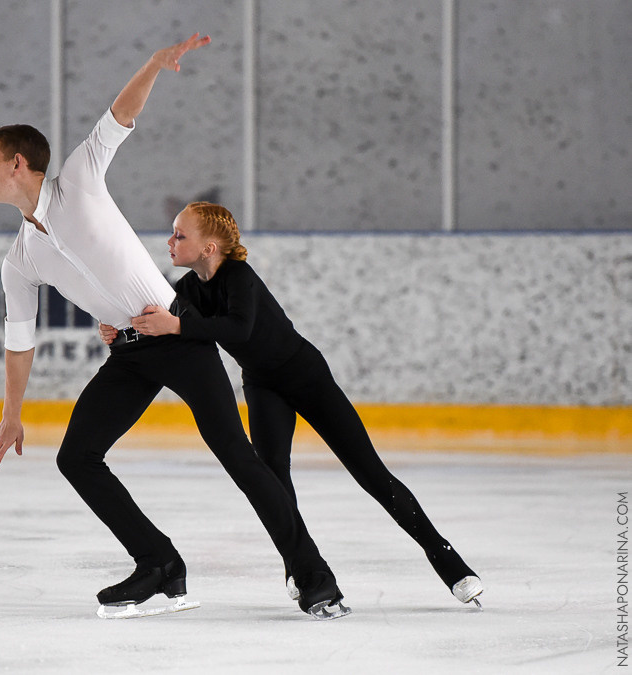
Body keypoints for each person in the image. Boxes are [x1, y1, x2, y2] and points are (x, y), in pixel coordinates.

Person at [0, 34, 349, 619]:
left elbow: (119, 117)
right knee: (77, 457)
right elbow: (19, 342)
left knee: (236, 454)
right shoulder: (20, 260)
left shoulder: (77, 178)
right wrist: (11, 413)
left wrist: (152, 64)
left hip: (177, 339)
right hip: (128, 352)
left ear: (18, 163)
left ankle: (314, 575)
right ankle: (159, 563)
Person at [100, 201, 484, 608]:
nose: (170, 241)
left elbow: (239, 327)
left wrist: (177, 324)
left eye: (180, 235)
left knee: (371, 473)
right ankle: (299, 567)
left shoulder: (239, 276)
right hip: (263, 386)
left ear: (209, 247)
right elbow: (162, 324)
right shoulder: (190, 290)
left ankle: (449, 562)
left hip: (305, 376)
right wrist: (121, 331)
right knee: (274, 480)